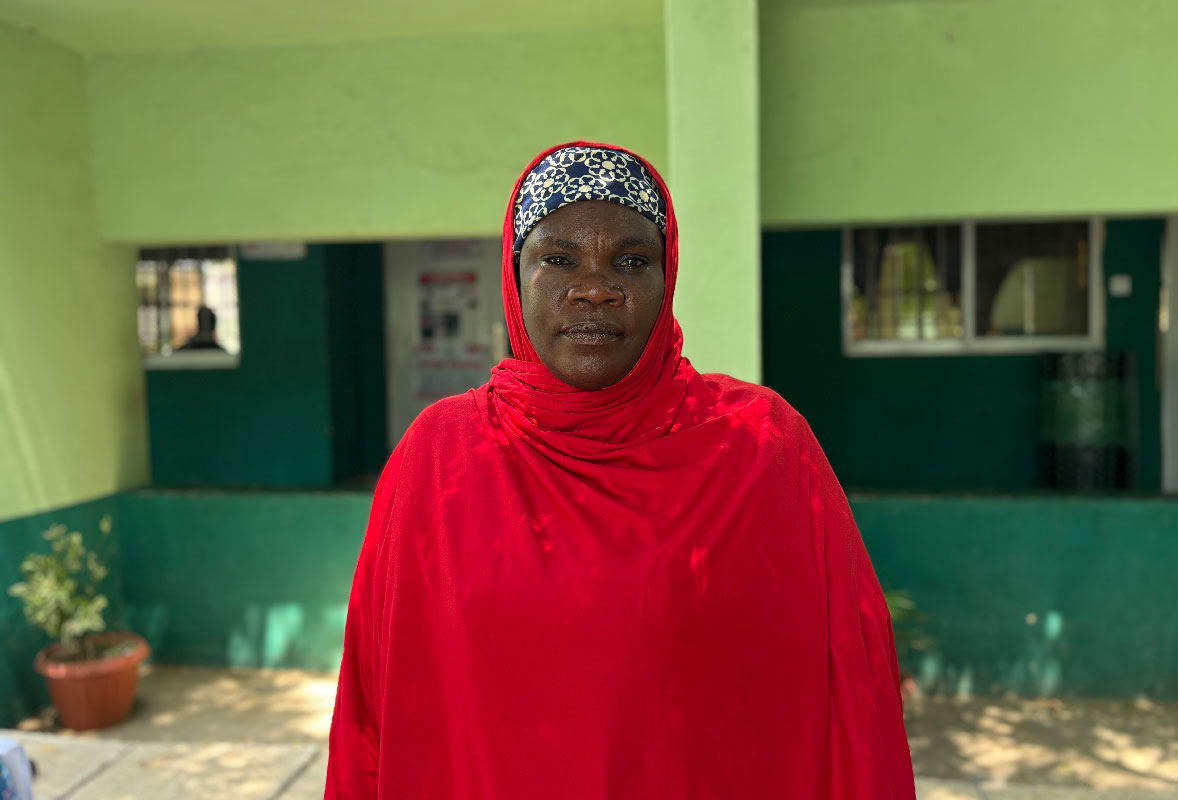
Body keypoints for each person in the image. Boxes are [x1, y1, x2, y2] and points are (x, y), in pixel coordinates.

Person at [326, 142, 915, 799]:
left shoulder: (762, 448)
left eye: (631, 260)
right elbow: (372, 709)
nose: (595, 289)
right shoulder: (438, 459)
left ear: (667, 280)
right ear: (514, 276)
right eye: (558, 258)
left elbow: (855, 700)